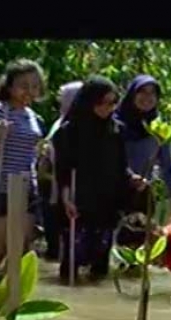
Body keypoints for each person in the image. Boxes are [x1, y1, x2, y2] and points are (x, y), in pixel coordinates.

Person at [53, 76, 132, 283]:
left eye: (112, 103)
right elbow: (63, 171)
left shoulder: (117, 130)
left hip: (107, 204)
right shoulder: (68, 132)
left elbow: (122, 166)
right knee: (72, 263)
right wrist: (66, 200)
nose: (107, 108)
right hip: (78, 203)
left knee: (100, 264)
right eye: (102, 102)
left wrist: (133, 179)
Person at [0, 59, 46, 277]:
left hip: (26, 186)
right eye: (23, 85)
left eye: (34, 86)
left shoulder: (34, 117)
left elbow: (32, 153)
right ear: (10, 86)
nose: (29, 91)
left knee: (21, 246)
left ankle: (9, 292)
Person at [116, 75, 171, 222]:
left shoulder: (157, 127)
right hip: (115, 194)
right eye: (142, 92)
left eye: (152, 93)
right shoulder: (115, 125)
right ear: (132, 94)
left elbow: (167, 165)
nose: (147, 97)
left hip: (143, 196)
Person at [37, 81, 82, 261]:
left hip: (64, 191)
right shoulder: (61, 127)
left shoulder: (71, 125)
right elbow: (45, 165)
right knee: (60, 248)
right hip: (57, 192)